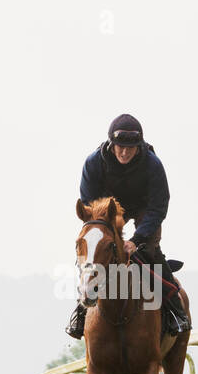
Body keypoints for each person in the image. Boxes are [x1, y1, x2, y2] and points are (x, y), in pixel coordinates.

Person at [66, 113, 191, 339]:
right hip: (106, 211)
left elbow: (158, 206)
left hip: (144, 210)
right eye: (120, 147)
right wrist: (105, 232)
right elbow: (88, 204)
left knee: (151, 253)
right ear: (111, 144)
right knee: (94, 252)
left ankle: (175, 309)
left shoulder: (153, 165)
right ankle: (81, 311)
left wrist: (136, 240)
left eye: (130, 148)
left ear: (139, 146)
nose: (125, 152)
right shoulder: (93, 162)